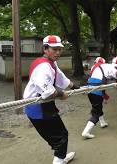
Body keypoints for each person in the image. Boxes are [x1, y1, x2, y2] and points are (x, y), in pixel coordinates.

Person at [23, 35, 78, 164]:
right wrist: (61, 93)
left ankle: (61, 157)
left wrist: (78, 88)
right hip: (39, 107)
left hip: (44, 106)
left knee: (57, 136)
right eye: (54, 49)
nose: (58, 52)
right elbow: (49, 91)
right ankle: (59, 160)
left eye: (59, 49)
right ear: (45, 49)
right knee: (61, 137)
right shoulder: (43, 67)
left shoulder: (51, 63)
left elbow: (61, 78)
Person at [81, 57, 117, 139]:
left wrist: (104, 95)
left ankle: (102, 122)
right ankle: (86, 132)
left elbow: (100, 81)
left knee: (97, 107)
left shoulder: (94, 68)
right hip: (97, 90)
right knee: (96, 112)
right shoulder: (107, 66)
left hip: (90, 89)